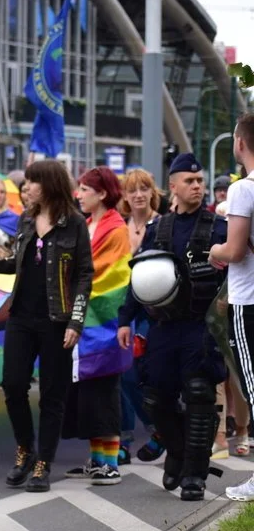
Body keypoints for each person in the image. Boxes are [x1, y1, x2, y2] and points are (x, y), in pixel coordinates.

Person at [0, 159, 93, 492]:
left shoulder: (75, 224)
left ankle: (43, 463)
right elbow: (20, 261)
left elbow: (84, 275)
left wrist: (76, 322)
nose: (26, 188)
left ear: (49, 184)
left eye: (32, 182)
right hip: (21, 316)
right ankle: (25, 448)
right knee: (12, 385)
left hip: (57, 320)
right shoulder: (25, 219)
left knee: (53, 395)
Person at [117, 153, 228, 501]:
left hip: (201, 326)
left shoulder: (219, 228)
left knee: (198, 392)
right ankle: (178, 454)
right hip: (163, 326)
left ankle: (195, 474)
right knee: (155, 396)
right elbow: (142, 276)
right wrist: (125, 319)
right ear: (173, 186)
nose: (197, 186)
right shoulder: (158, 229)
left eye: (200, 181)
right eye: (190, 181)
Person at [62, 167, 130, 485]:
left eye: (85, 189)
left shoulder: (116, 229)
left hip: (106, 322)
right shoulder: (89, 225)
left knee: (104, 390)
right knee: (89, 391)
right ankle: (97, 460)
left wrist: (73, 279)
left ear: (102, 193)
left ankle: (111, 463)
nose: (79, 194)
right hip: (87, 320)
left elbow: (110, 275)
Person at [208, 115, 254, 500]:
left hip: (249, 299)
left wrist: (214, 251)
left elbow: (235, 250)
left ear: (239, 143)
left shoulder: (243, 190)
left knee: (253, 387)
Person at [117, 169, 163, 463]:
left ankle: (157, 428)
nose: (138, 194)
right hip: (122, 307)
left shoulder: (162, 225)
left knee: (137, 373)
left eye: (143, 188)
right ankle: (123, 440)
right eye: (132, 190)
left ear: (152, 192)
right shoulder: (119, 228)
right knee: (122, 373)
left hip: (152, 310)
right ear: (124, 195)